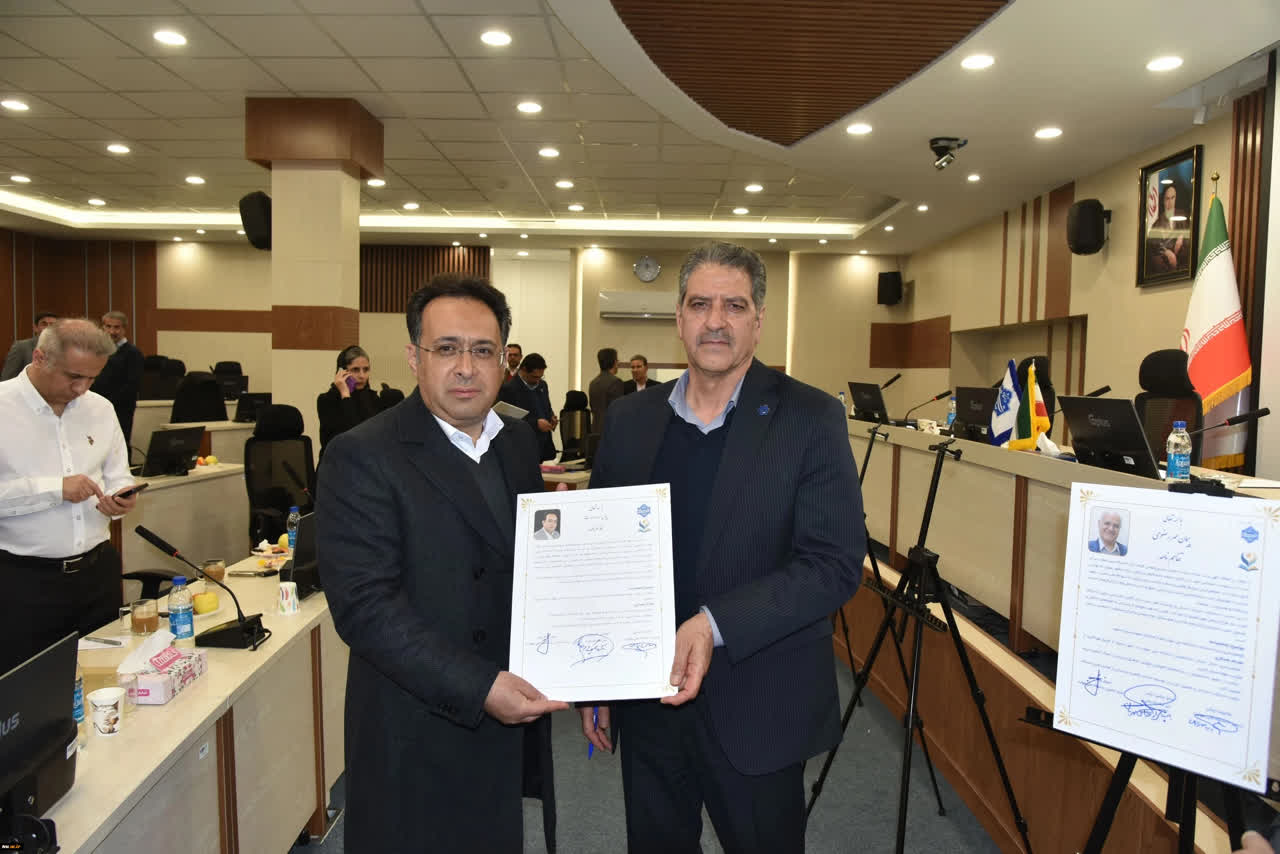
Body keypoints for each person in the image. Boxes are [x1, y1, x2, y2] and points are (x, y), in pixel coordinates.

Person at [580, 242, 865, 853]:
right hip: (650, 702)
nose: (716, 321)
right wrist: (594, 680)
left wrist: (713, 625)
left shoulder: (810, 417)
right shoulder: (630, 419)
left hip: (759, 702)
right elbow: (601, 560)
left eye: (734, 306)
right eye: (700, 304)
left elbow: (833, 564)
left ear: (758, 321)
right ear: (679, 317)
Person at [316, 274, 566, 853]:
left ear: (503, 360)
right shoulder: (362, 454)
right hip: (417, 727)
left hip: (505, 719)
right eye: (447, 348)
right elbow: (366, 609)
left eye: (483, 350)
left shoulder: (517, 443)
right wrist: (479, 687)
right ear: (414, 358)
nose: (466, 368)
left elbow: (525, 568)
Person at [0, 318, 138, 675]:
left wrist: (120, 499)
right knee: (30, 689)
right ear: (40, 358)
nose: (82, 388)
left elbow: (118, 475)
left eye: (92, 378)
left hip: (97, 575)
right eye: (74, 377)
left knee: (102, 679)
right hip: (24, 581)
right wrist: (55, 489)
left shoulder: (101, 409)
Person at [316, 344, 398, 455]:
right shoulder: (327, 400)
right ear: (342, 372)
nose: (362, 376)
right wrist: (345, 395)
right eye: (355, 370)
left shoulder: (373, 399)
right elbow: (352, 437)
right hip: (338, 461)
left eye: (366, 369)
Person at [91, 311, 144, 446]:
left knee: (119, 445)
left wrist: (108, 403)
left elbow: (132, 385)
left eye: (116, 327)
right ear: (103, 328)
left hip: (120, 410)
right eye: (108, 326)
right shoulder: (98, 352)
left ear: (124, 329)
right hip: (96, 408)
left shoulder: (133, 353)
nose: (112, 331)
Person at [498, 352, 558, 461]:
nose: (537, 380)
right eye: (534, 377)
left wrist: (551, 417)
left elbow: (546, 407)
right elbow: (506, 420)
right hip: (523, 447)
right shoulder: (509, 389)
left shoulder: (542, 385)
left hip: (544, 446)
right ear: (524, 370)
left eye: (540, 377)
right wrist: (535, 424)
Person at [1147, 182, 1191, 275]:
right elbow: (1152, 245)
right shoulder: (1158, 223)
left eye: (1172, 198)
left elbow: (1190, 237)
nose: (1170, 202)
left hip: (1183, 264)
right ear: (1163, 201)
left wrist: (1182, 237)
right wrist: (1166, 251)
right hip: (1165, 264)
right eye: (1167, 199)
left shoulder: (1183, 216)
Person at [1, 310, 57, 381]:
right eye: (44, 324)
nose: (48, 328)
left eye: (52, 325)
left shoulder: (64, 348)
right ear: (35, 328)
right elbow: (7, 378)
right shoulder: (21, 347)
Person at [588, 346, 625, 432]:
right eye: (617, 360)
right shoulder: (616, 382)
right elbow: (618, 410)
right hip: (611, 429)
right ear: (614, 362)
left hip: (595, 428)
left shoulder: (593, 383)